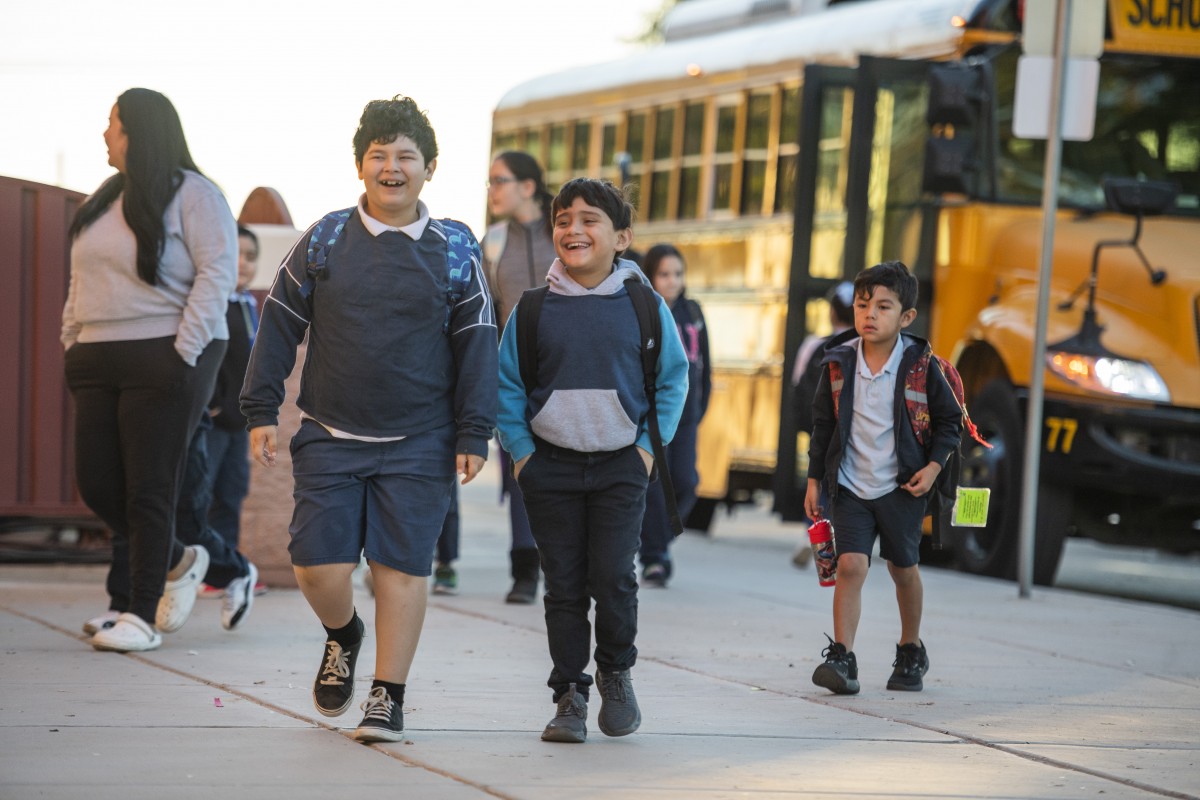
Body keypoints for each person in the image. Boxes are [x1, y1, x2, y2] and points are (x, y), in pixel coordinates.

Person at [240, 95, 497, 743]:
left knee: (402, 567)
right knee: (317, 566)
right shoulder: (325, 239)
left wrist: (474, 430)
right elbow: (279, 322)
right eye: (379, 155)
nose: (392, 167)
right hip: (330, 431)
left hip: (422, 441)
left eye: (405, 156)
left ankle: (388, 695)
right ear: (360, 166)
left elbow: (477, 341)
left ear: (429, 167)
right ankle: (342, 632)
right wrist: (260, 407)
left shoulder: (456, 248)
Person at [496, 178, 689, 744]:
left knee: (613, 578)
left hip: (620, 467)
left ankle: (616, 671)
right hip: (549, 468)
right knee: (563, 586)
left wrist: (648, 451)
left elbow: (672, 381)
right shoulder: (532, 309)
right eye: (562, 219)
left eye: (589, 220)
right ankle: (569, 694)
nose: (572, 229)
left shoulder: (644, 306)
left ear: (621, 237)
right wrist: (524, 454)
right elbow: (507, 387)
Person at [63, 88, 236, 653]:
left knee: (149, 488)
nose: (105, 135)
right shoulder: (106, 198)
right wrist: (72, 340)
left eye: (112, 124)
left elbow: (217, 273)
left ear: (139, 130)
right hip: (96, 357)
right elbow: (82, 278)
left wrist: (183, 349)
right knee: (98, 484)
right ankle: (183, 561)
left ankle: (138, 614)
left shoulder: (195, 194)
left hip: (164, 353)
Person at [804, 261, 963, 695]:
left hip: (903, 487)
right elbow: (823, 424)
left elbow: (950, 423)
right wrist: (815, 479)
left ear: (906, 317)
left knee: (902, 568)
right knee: (851, 565)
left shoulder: (921, 366)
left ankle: (911, 648)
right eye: (862, 305)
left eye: (883, 307)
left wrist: (932, 470)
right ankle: (842, 656)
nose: (869, 314)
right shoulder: (838, 363)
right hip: (851, 484)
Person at [483, 151, 556, 604]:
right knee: (519, 473)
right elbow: (485, 312)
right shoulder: (490, 242)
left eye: (500, 181)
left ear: (528, 187)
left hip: (566, 373)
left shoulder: (564, 231)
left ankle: (564, 561)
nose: (492, 190)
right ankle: (524, 570)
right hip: (512, 377)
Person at [198, 225, 267, 599]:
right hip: (211, 423)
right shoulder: (212, 301)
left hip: (237, 424)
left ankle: (222, 574)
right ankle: (193, 570)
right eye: (236, 254)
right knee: (199, 496)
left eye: (251, 256)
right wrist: (211, 405)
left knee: (230, 495)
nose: (243, 262)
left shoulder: (248, 304)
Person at [636, 244, 711, 588]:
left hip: (686, 418)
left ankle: (655, 541)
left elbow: (705, 366)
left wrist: (700, 406)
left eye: (678, 274)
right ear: (651, 276)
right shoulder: (644, 311)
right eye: (665, 275)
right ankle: (655, 557)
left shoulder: (692, 312)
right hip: (652, 415)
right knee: (653, 488)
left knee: (686, 483)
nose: (673, 282)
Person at [789, 280, 854, 568]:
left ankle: (814, 536)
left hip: (819, 428)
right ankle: (842, 536)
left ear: (832, 312)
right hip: (850, 432)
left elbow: (797, 384)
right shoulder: (863, 347)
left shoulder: (814, 344)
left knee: (817, 481)